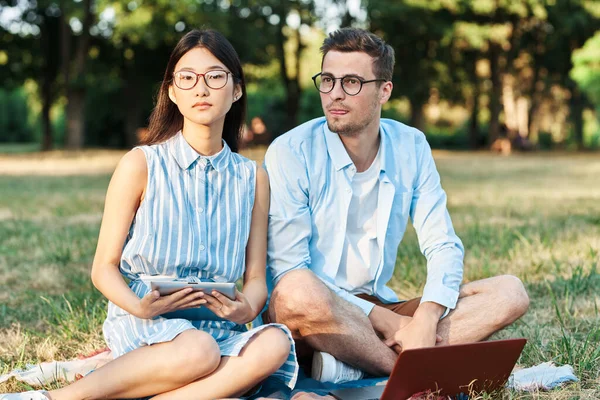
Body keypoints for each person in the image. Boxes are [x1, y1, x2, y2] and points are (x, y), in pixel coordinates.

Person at [1, 29, 297, 400]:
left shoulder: (253, 177)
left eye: (215, 76)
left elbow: (255, 277)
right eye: (187, 78)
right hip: (145, 321)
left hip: (219, 327)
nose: (201, 89)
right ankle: (53, 399)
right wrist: (139, 306)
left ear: (236, 89)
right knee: (198, 351)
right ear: (172, 92)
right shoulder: (141, 164)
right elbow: (103, 268)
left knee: (274, 344)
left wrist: (247, 308)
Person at [263, 27, 529, 384]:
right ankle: (418, 375)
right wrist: (389, 322)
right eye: (327, 80)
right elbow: (289, 269)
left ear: (384, 90)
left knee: (509, 292)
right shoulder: (290, 151)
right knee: (297, 289)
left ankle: (356, 366)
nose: (335, 94)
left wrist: (427, 317)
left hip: (379, 308)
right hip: (311, 317)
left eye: (352, 82)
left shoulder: (411, 145)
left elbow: (442, 243)